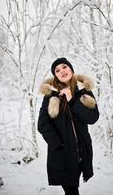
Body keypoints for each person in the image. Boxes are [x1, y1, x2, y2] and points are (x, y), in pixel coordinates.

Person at [38, 58, 99, 195]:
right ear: (55, 75)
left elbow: (92, 118)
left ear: (71, 69)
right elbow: (43, 125)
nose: (62, 71)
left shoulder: (84, 91)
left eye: (64, 67)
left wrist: (72, 100)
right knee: (71, 190)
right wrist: (59, 145)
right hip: (62, 154)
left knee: (74, 184)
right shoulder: (50, 96)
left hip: (81, 151)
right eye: (57, 70)